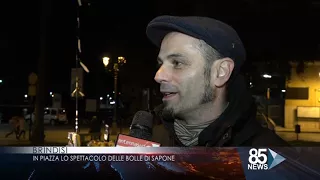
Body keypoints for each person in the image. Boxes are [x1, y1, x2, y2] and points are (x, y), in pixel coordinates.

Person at [146, 16, 288, 147]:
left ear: (221, 72)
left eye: (177, 63)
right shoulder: (147, 142)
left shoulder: (273, 161)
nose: (158, 76)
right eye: (160, 64)